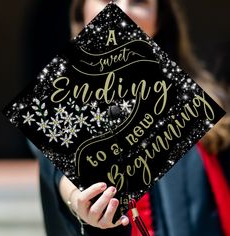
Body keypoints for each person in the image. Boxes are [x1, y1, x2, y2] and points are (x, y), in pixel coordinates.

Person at [32, 0, 230, 235]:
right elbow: (58, 168)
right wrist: (78, 200)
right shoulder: (58, 107)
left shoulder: (206, 102)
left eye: (139, 1)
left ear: (160, 19)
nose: (122, 11)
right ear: (81, 13)